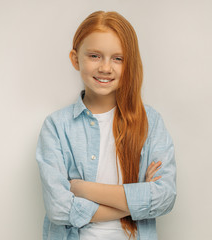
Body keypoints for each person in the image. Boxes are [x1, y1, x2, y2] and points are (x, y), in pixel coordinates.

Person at [35, 11, 176, 240]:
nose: (105, 68)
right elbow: (59, 209)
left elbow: (165, 197)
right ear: (75, 58)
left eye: (118, 58)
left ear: (129, 64)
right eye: (94, 56)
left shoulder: (151, 122)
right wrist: (137, 201)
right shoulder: (56, 127)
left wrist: (82, 189)